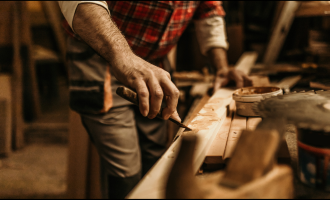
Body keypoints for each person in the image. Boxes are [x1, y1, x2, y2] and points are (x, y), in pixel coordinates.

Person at [58, 1, 252, 198]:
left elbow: (208, 9)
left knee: (155, 155)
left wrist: (221, 67)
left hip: (154, 61)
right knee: (125, 168)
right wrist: (124, 58)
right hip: (101, 52)